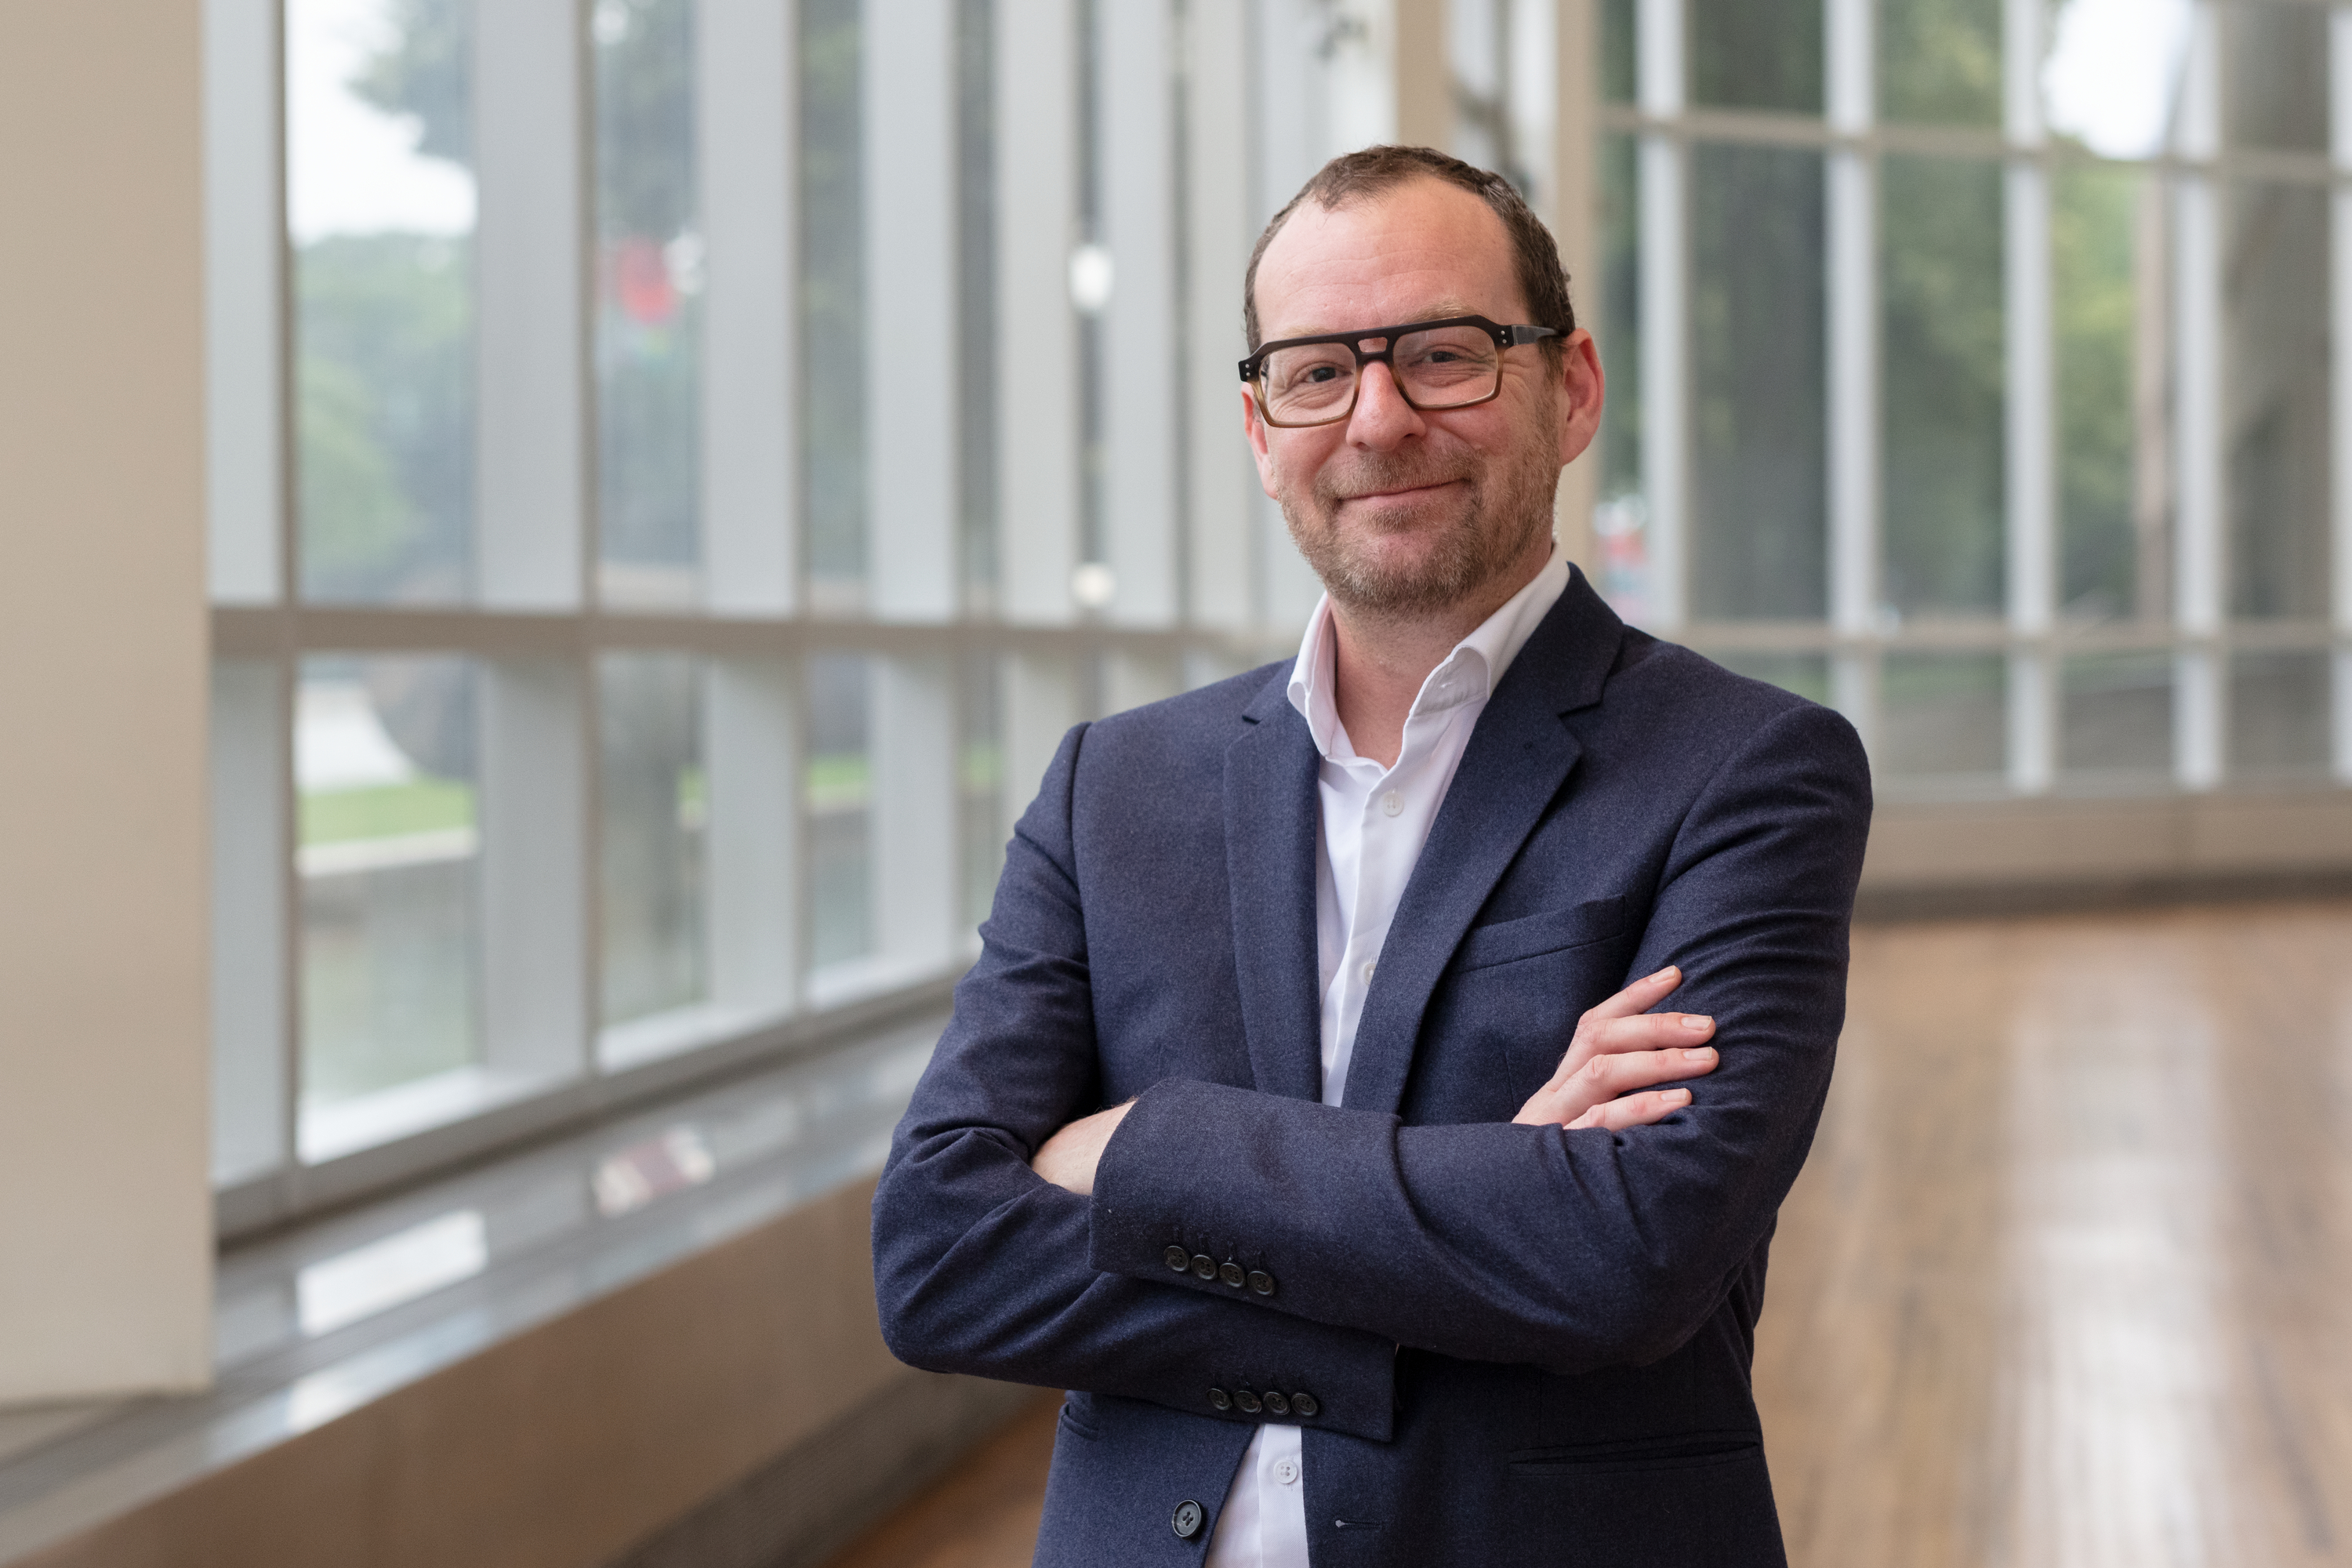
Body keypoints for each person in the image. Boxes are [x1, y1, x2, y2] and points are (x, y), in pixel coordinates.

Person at [872, 144, 1871, 1566]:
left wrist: (1150, 1149)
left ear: (1570, 388)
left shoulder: (1749, 770)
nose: (1380, 418)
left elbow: (1628, 1259)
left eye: (1445, 355)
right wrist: (1487, 1199)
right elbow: (937, 1261)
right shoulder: (1116, 786)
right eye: (1318, 371)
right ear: (1259, 422)